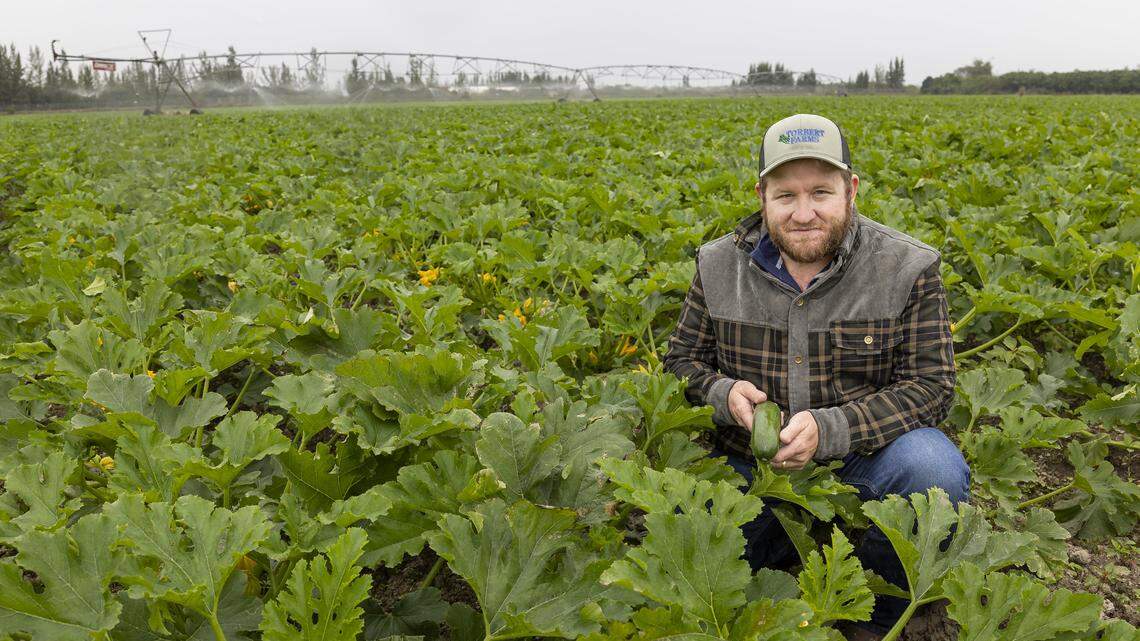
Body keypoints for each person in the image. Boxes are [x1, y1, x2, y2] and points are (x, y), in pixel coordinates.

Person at [662, 113, 970, 641]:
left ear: (851, 190)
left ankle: (879, 615)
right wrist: (723, 392)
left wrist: (831, 429)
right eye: (786, 195)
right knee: (689, 544)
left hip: (862, 459)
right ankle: (788, 549)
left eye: (821, 192)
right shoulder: (716, 264)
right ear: (762, 195)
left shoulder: (908, 267)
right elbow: (679, 364)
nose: (803, 213)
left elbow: (932, 386)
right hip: (749, 464)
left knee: (931, 468)